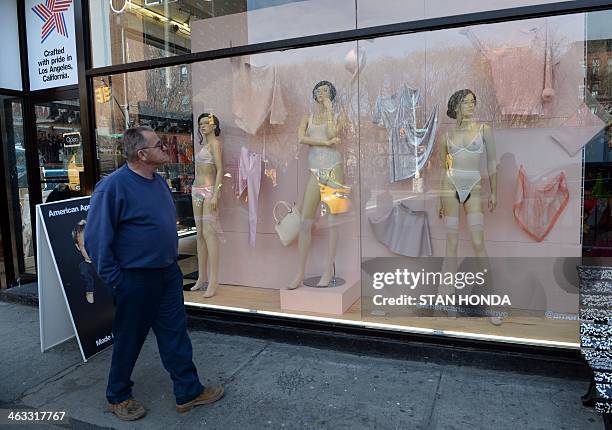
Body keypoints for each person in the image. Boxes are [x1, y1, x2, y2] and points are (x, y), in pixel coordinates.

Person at [85, 126, 224, 421]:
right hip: (134, 279)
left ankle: (188, 391)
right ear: (142, 154)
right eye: (159, 144)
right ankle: (118, 395)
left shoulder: (158, 181)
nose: (165, 148)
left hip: (167, 274)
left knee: (175, 334)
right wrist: (117, 281)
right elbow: (96, 240)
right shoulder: (112, 187)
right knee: (129, 338)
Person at [190, 113, 223, 298]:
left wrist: (216, 194)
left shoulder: (215, 144)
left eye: (206, 123)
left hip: (209, 190)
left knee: (209, 233)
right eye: (200, 123)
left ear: (213, 125)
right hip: (197, 190)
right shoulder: (204, 145)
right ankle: (201, 277)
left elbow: (220, 170)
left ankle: (214, 280)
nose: (203, 126)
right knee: (200, 234)